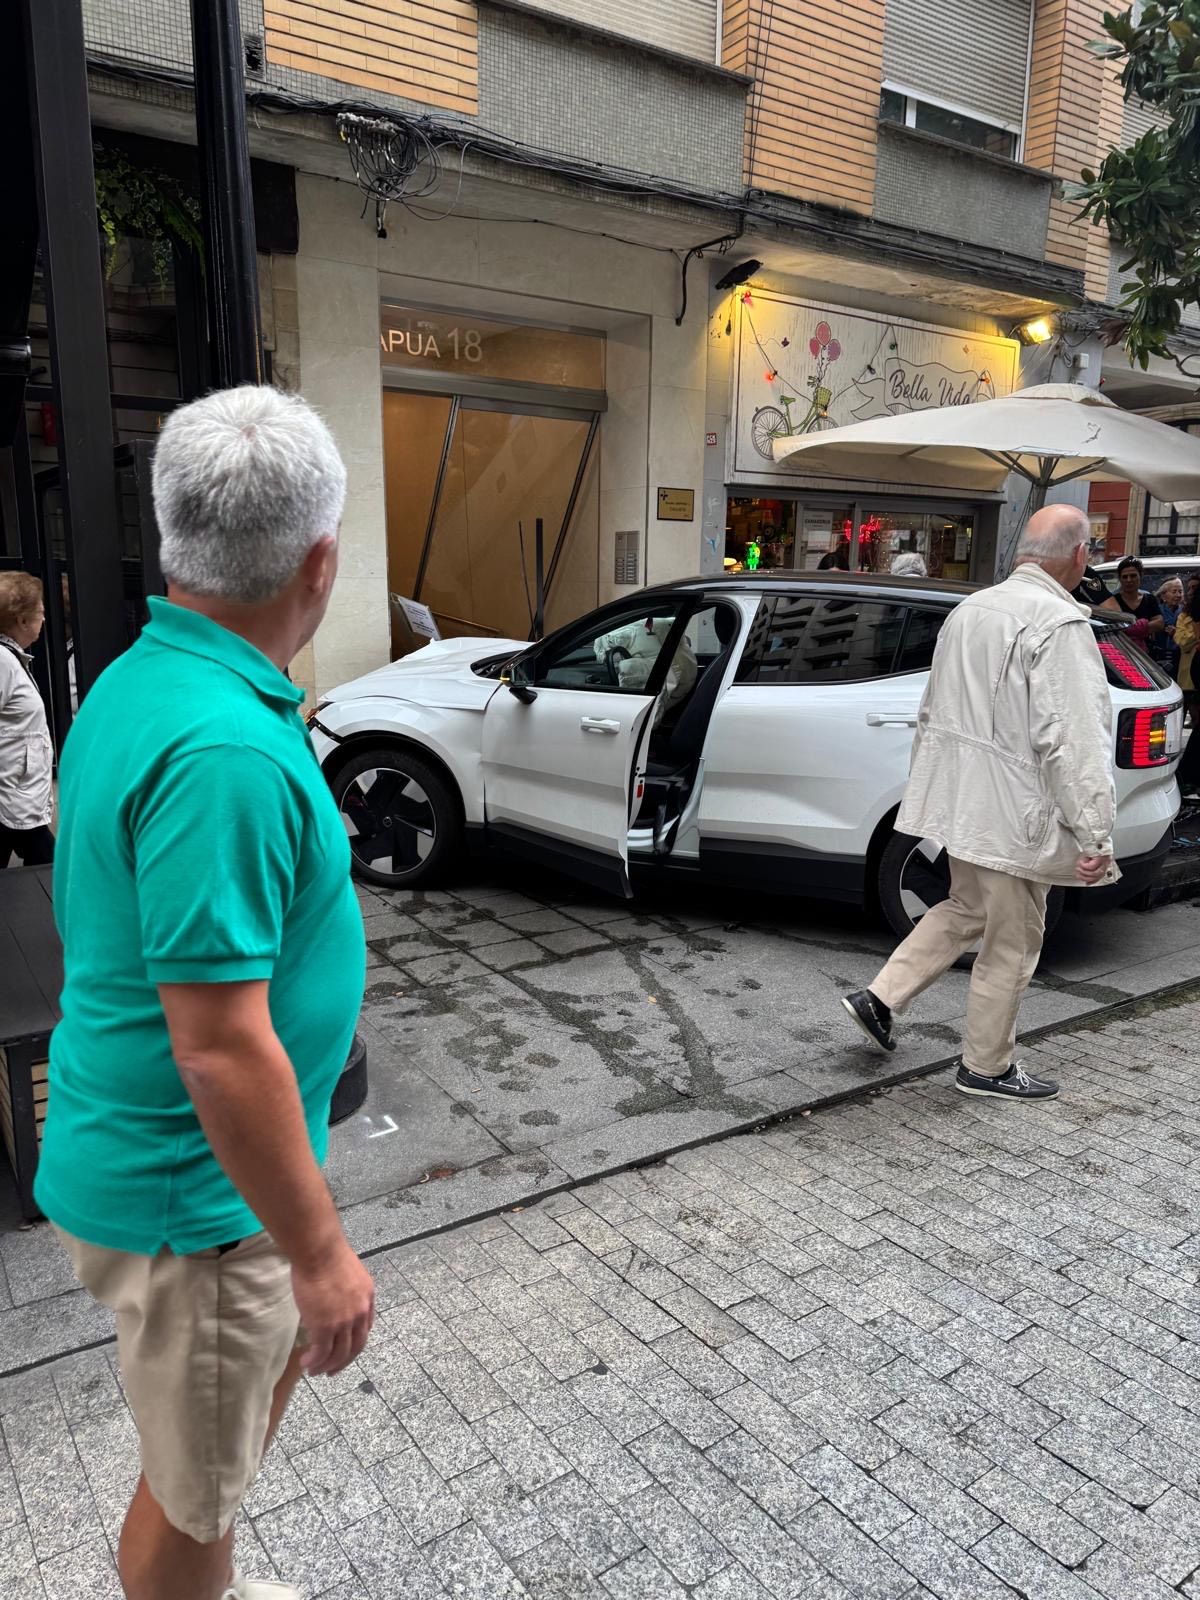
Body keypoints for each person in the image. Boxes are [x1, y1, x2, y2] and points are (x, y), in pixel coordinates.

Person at [34, 387, 373, 1600]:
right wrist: (321, 1251)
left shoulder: (147, 674)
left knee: (207, 1455)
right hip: (201, 1203)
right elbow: (221, 1048)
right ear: (320, 560)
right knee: (195, 1496)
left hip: (196, 1184)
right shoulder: (220, 748)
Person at [841, 503, 1116, 1101]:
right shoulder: (1058, 625)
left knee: (965, 907)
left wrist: (933, 793)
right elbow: (1073, 741)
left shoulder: (971, 609)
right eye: (1091, 549)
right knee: (1014, 941)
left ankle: (881, 998)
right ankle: (985, 1067)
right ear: (1078, 555)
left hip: (966, 803)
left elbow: (932, 711)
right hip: (1017, 814)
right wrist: (1095, 833)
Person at [0, 572, 55, 867]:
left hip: (17, 799)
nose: (43, 621)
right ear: (22, 620)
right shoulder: (2, 661)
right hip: (9, 800)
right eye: (41, 613)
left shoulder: (11, 658)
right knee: (54, 872)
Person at [1153, 575, 1184, 677]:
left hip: (1180, 657)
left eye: (1180, 591)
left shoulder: (1186, 611)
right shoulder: (1156, 612)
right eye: (1174, 591)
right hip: (1158, 657)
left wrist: (1177, 633)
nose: (1178, 595)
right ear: (1163, 596)